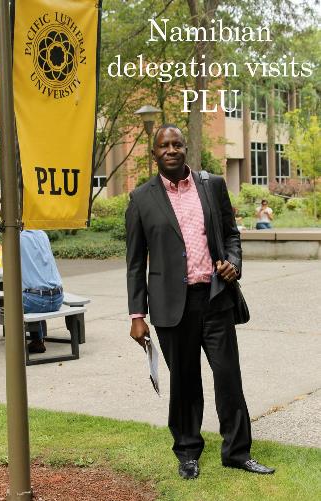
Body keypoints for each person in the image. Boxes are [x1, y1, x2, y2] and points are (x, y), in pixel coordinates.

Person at [125, 124, 275, 480]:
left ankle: (237, 452)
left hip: (215, 299)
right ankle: (188, 452)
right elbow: (134, 262)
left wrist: (232, 264)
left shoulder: (212, 185)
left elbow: (232, 235)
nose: (172, 150)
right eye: (165, 145)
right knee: (185, 383)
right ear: (154, 153)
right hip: (170, 307)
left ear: (185, 150)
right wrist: (136, 315)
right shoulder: (141, 199)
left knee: (228, 378)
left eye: (178, 144)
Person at [20, 230, 63, 354]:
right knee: (31, 294)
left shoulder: (16, 237)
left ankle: (18, 344)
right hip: (57, 298)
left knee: (12, 302)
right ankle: (37, 341)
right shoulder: (42, 234)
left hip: (35, 301)